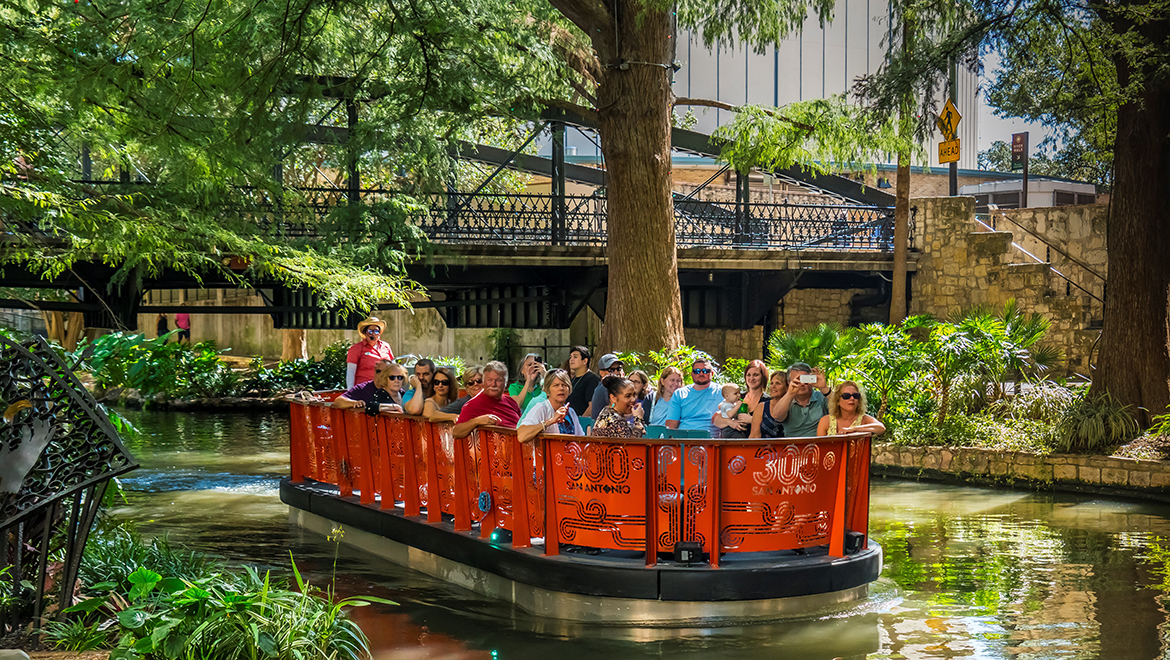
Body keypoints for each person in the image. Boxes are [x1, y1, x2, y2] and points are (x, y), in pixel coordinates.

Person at [452, 361, 521, 438]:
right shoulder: (473, 405)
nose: (493, 384)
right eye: (489, 380)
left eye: (498, 380)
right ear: (484, 382)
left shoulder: (510, 401)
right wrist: (476, 421)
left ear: (506, 383)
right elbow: (456, 432)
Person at [517, 369, 584, 443]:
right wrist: (550, 421)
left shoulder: (571, 412)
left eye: (564, 385)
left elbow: (581, 438)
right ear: (547, 391)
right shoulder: (541, 408)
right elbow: (521, 436)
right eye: (556, 385)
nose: (561, 388)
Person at [713, 360, 770, 438]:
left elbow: (774, 427)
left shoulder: (767, 401)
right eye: (748, 375)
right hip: (734, 444)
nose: (751, 378)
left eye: (756, 375)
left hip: (757, 445)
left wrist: (752, 420)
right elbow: (715, 419)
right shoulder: (737, 396)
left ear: (763, 377)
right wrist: (730, 422)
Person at [664, 359, 722, 435]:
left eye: (705, 371)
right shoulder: (680, 393)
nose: (701, 373)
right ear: (692, 374)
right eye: (697, 371)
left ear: (712, 373)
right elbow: (671, 424)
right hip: (684, 440)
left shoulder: (722, 392)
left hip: (712, 441)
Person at [773, 362, 831, 438]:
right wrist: (790, 393)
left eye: (805, 379)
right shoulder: (787, 401)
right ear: (789, 382)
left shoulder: (821, 396)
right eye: (797, 380)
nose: (802, 384)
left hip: (819, 445)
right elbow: (777, 416)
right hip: (793, 446)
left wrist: (824, 389)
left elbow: (840, 410)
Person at [332, 359, 405, 414]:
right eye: (379, 371)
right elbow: (338, 401)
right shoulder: (363, 388)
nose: (381, 375)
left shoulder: (398, 390)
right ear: (374, 371)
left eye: (386, 372)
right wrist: (355, 403)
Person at [817, 381, 887, 437]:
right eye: (846, 396)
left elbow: (881, 428)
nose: (852, 398)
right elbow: (819, 447)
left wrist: (853, 429)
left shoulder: (864, 419)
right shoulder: (825, 421)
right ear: (837, 400)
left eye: (855, 396)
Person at [346, 317, 394, 388]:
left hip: (384, 387)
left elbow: (393, 366)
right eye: (370, 331)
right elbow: (351, 371)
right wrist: (350, 391)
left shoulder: (386, 346)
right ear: (365, 333)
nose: (373, 334)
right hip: (364, 388)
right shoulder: (356, 348)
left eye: (376, 331)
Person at [750, 370, 789, 438]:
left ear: (787, 387)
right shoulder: (762, 406)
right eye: (771, 383)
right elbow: (754, 435)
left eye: (778, 383)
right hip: (764, 447)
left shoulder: (794, 406)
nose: (773, 386)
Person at [566, 345, 599, 417]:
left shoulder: (592, 379)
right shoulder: (573, 379)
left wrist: (580, 421)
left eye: (575, 357)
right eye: (570, 357)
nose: (571, 359)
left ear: (585, 361)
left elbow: (592, 406)